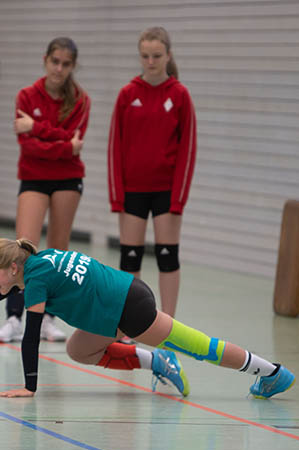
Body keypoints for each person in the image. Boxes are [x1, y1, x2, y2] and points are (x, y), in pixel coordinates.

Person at [0, 238, 295, 400]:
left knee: (199, 346)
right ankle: (157, 362)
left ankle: (272, 373)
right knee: (78, 348)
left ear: (11, 268)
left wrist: (29, 387)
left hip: (131, 306)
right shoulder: (35, 262)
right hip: (116, 303)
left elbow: (30, 336)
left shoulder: (35, 279)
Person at [0, 37, 90, 344]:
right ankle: (13, 318)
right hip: (33, 176)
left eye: (66, 64)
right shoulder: (26, 95)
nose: (59, 68)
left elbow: (73, 147)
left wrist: (36, 127)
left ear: (73, 66)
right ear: (45, 60)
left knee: (58, 252)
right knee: (22, 248)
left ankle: (48, 318)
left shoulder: (80, 100)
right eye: (54, 61)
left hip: (68, 179)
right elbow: (30, 147)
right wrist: (61, 145)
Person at [108, 26, 196, 318]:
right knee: (129, 257)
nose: (150, 61)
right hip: (133, 190)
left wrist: (178, 198)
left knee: (167, 256)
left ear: (168, 55)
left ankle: (169, 323)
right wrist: (117, 196)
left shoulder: (180, 95)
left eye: (157, 55)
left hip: (166, 192)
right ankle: (131, 321)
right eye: (145, 56)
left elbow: (188, 150)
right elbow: (114, 148)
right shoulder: (127, 94)